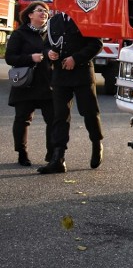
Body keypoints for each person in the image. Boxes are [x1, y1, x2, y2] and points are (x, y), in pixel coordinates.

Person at [39, 12, 104, 174]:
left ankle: (97, 143)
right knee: (60, 116)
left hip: (81, 73)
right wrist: (49, 53)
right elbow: (47, 44)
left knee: (89, 113)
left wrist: (76, 58)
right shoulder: (54, 20)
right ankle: (58, 159)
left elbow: (97, 43)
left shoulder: (86, 15)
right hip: (60, 74)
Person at [5, 1, 54, 167]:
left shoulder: (51, 34)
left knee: (54, 120)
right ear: (30, 15)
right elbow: (10, 57)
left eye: (46, 11)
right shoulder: (20, 33)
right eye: (39, 10)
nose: (44, 13)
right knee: (22, 120)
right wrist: (30, 57)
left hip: (48, 84)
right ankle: (22, 153)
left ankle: (52, 154)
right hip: (26, 84)